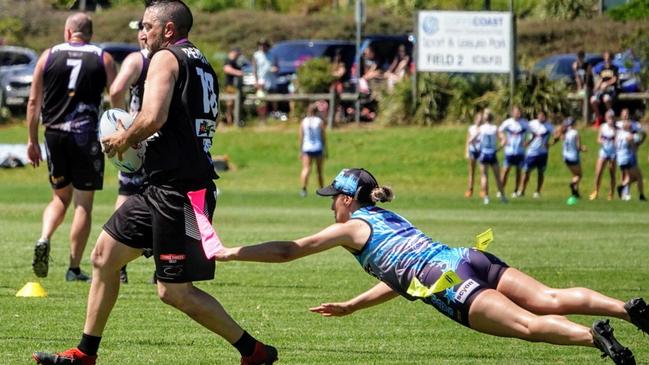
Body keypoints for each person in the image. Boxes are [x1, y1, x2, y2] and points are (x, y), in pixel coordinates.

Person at [32, 2, 277, 365]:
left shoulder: (166, 58)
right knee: (103, 257)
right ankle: (85, 353)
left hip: (180, 193)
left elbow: (153, 116)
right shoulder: (203, 62)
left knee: (174, 292)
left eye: (147, 26)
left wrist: (122, 140)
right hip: (163, 188)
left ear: (168, 30)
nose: (141, 33)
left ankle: (254, 351)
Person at [215, 167, 648, 365]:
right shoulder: (389, 216)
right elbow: (400, 280)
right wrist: (351, 306)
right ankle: (626, 309)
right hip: (467, 257)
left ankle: (594, 338)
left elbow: (291, 250)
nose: (331, 205)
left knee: (529, 326)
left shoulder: (352, 229)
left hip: (447, 281)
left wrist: (232, 252)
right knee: (549, 297)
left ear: (348, 199)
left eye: (333, 198)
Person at [26, 12, 116, 282]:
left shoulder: (48, 55)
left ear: (67, 32)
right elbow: (117, 96)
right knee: (83, 205)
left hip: (54, 134)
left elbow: (33, 101)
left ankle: (44, 237)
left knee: (59, 198)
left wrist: (31, 140)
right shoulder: (103, 57)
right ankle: (73, 268)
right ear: (90, 34)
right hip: (85, 135)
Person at [107, 18, 151, 284]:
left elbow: (116, 90)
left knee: (126, 195)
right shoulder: (175, 58)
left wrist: (121, 124)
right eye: (140, 28)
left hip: (136, 139)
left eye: (144, 28)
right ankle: (165, 264)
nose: (142, 34)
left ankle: (118, 260)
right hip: (161, 140)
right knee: (166, 198)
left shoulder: (138, 60)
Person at [517, 111, 554, 198]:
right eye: (540, 115)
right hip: (531, 152)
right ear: (537, 116)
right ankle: (521, 191)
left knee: (540, 172)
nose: (541, 117)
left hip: (543, 153)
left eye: (543, 116)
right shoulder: (531, 124)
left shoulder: (549, 126)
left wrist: (551, 143)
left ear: (545, 116)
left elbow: (557, 135)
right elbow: (523, 131)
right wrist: (525, 142)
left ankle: (537, 191)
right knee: (526, 172)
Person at [473, 110, 507, 204]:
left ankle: (486, 198)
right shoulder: (495, 128)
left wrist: (477, 149)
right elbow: (504, 140)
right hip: (492, 153)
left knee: (484, 176)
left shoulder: (481, 128)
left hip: (483, 154)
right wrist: (499, 148)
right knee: (497, 177)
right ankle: (503, 197)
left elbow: (472, 140)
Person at [498, 106, 528, 197]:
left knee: (519, 171)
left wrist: (528, 142)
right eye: (516, 112)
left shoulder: (524, 123)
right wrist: (503, 139)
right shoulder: (508, 122)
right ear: (512, 113)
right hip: (509, 151)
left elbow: (532, 133)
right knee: (506, 170)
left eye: (519, 112)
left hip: (520, 151)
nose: (517, 114)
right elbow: (499, 131)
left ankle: (516, 190)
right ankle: (501, 190)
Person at [615, 114, 645, 202]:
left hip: (620, 159)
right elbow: (633, 147)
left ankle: (622, 188)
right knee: (639, 176)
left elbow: (616, 144)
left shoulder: (619, 134)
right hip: (627, 158)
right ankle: (641, 196)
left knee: (630, 178)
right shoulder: (629, 135)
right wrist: (638, 141)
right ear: (627, 127)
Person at [299, 102, 326, 197]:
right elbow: (323, 137)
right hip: (318, 147)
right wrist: (325, 149)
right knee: (319, 170)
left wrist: (300, 150)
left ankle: (303, 189)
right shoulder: (319, 121)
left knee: (306, 169)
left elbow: (301, 137)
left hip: (306, 148)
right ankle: (321, 189)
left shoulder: (304, 121)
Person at [590, 109, 617, 201]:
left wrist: (614, 132)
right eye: (609, 118)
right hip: (604, 152)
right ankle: (596, 191)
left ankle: (611, 193)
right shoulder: (603, 127)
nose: (610, 119)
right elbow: (598, 139)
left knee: (612, 173)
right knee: (598, 172)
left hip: (613, 153)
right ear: (606, 118)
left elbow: (617, 141)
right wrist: (602, 141)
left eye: (612, 118)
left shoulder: (616, 128)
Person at [558, 117, 586, 198]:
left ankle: (575, 193)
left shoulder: (565, 133)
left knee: (574, 175)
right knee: (579, 175)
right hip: (573, 157)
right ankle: (573, 184)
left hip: (565, 157)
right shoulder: (575, 133)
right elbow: (578, 147)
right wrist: (583, 148)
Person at [591, 51, 619, 127]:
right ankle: (598, 118)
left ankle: (611, 118)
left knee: (606, 99)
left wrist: (607, 83)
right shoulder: (602, 69)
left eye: (608, 58)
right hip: (602, 89)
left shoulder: (614, 68)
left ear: (611, 59)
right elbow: (600, 79)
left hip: (611, 89)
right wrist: (596, 87)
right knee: (593, 100)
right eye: (605, 59)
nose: (607, 60)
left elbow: (615, 79)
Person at [252, 38, 276, 121]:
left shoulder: (272, 55)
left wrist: (275, 69)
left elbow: (277, 66)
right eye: (260, 45)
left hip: (271, 81)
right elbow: (254, 70)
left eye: (264, 45)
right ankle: (262, 119)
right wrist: (256, 81)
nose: (262, 46)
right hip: (261, 82)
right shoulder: (256, 55)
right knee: (261, 101)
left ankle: (273, 117)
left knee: (273, 100)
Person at [223, 47, 244, 127]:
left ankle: (234, 121)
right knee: (230, 104)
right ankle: (229, 122)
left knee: (236, 104)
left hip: (235, 86)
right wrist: (239, 72)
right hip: (230, 86)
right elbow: (226, 69)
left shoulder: (235, 61)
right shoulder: (228, 60)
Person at [464, 110, 482, 198]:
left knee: (482, 171)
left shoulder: (484, 128)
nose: (480, 121)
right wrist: (467, 152)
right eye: (478, 119)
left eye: (481, 119)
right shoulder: (471, 128)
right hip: (472, 151)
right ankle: (470, 189)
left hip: (481, 151)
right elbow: (468, 140)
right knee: (471, 172)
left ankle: (483, 190)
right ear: (475, 120)